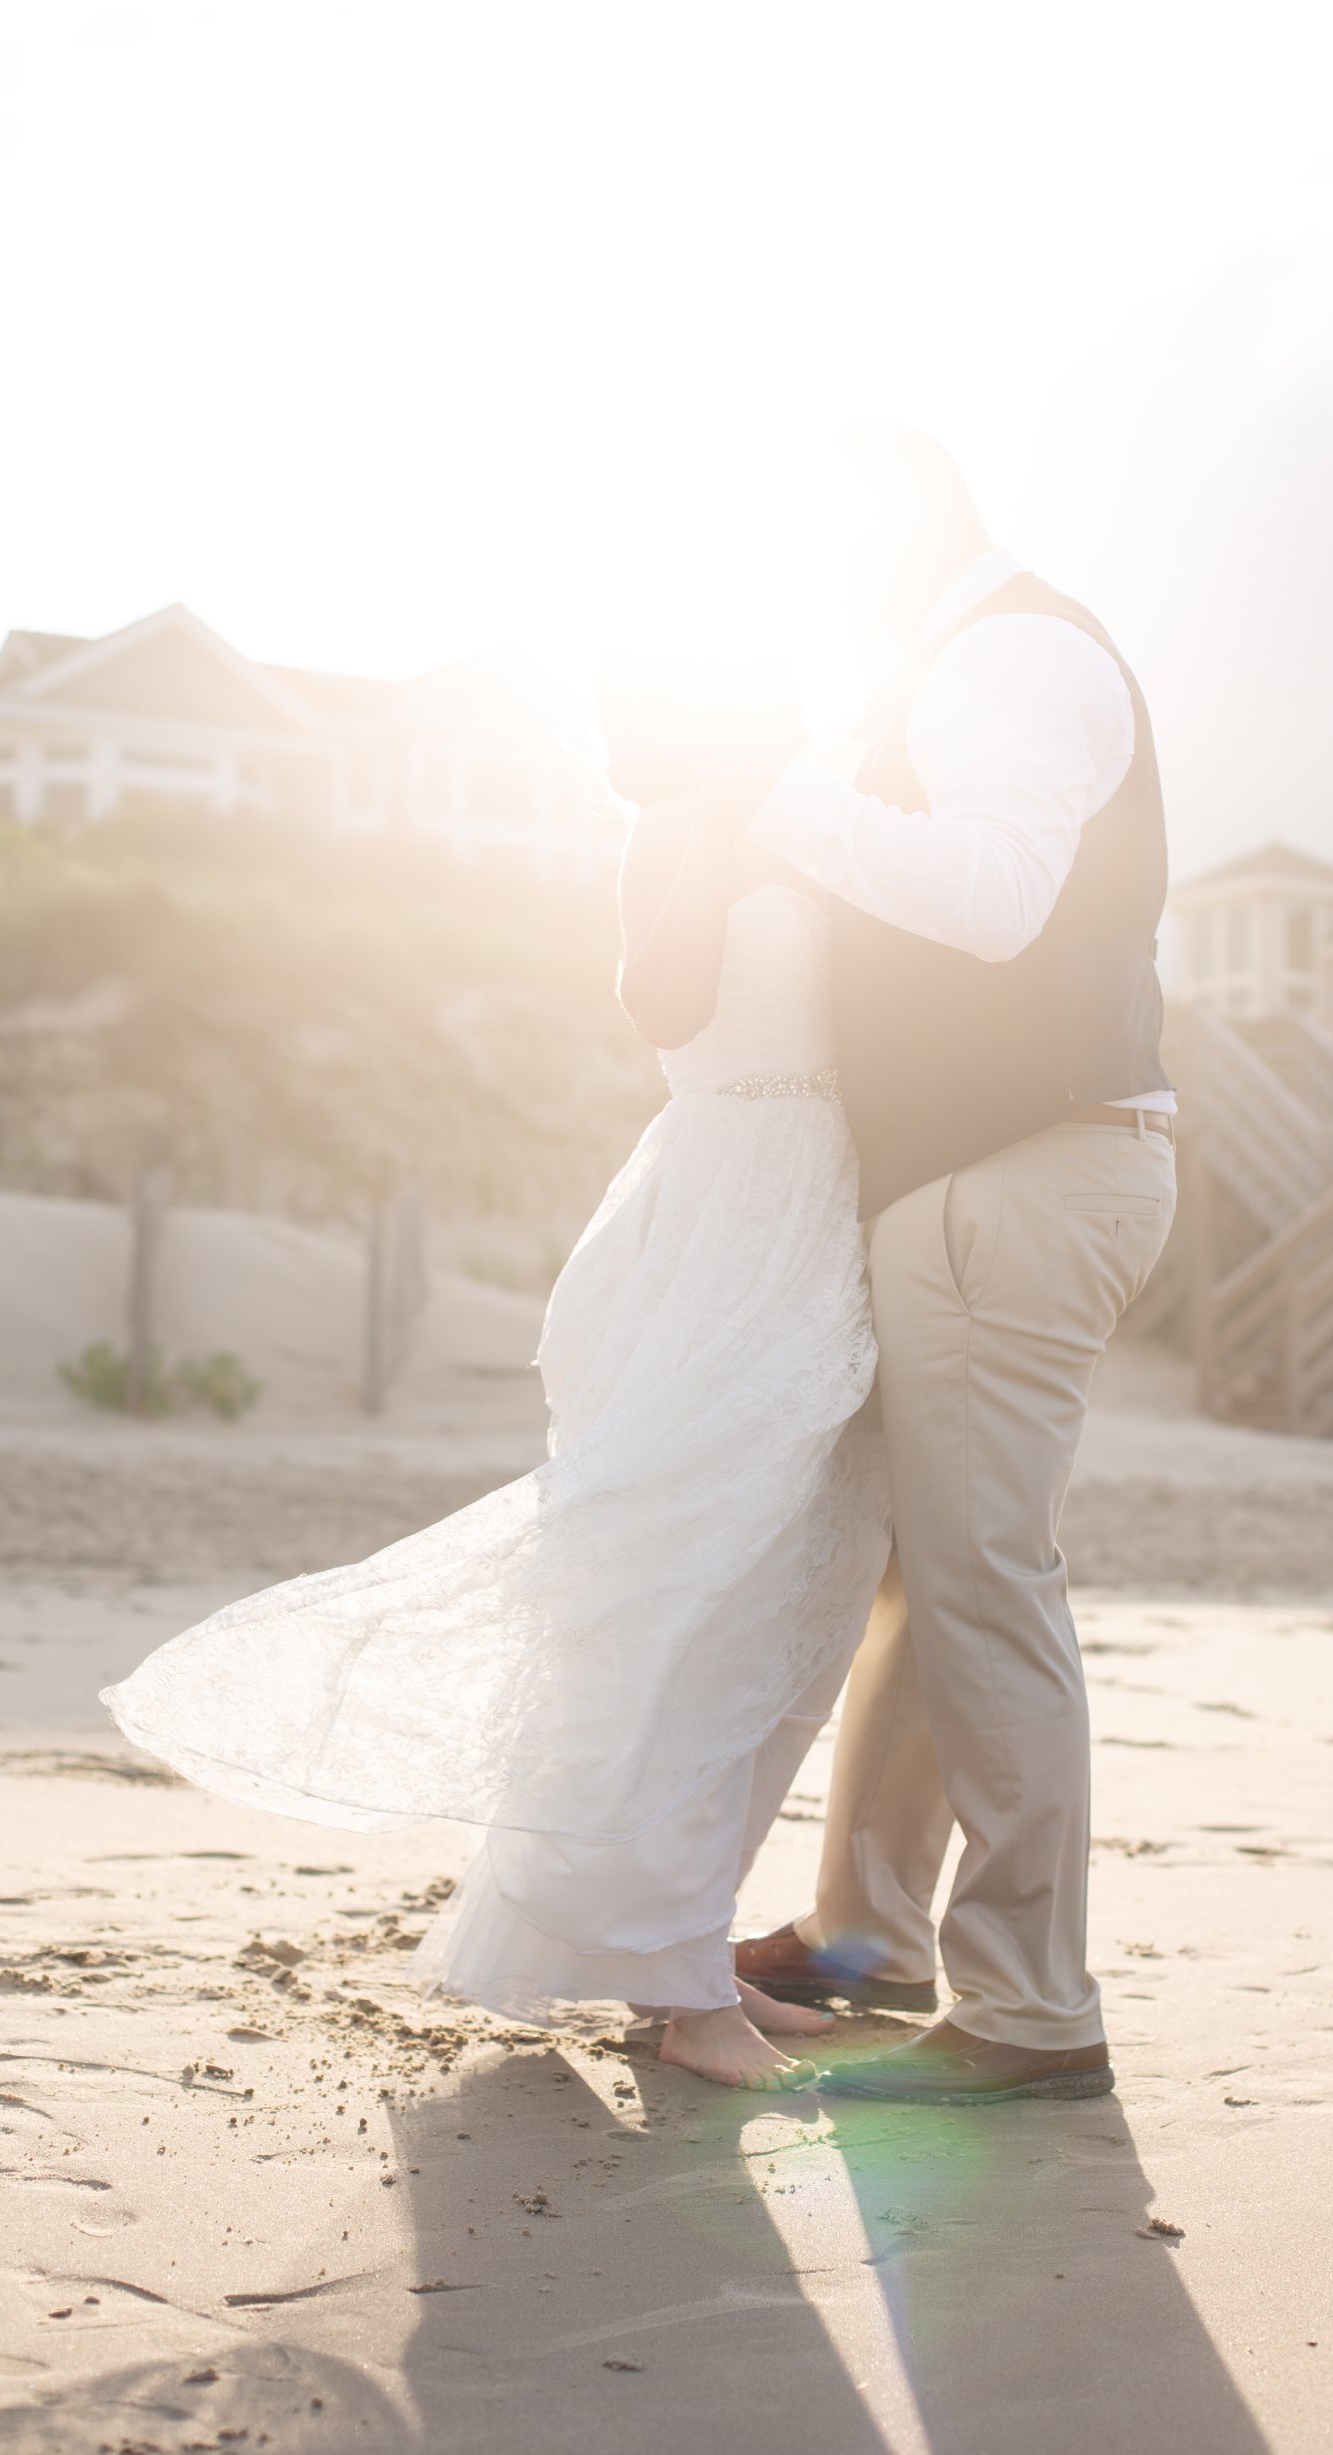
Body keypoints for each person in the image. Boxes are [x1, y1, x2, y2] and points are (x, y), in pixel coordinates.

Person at [101, 655, 890, 2092]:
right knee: (680, 1595)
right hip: (732, 1201)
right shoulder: (689, 825)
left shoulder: (817, 821)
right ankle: (668, 1979)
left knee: (793, 1599)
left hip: (820, 1214)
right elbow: (661, 1003)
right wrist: (715, 825)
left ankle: (684, 1953)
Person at [728, 424, 1178, 2104]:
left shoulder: (1016, 656)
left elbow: (994, 901)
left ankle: (1029, 2005)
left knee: (984, 1579)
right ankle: (870, 1938)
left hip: (1022, 1171)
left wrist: (774, 796)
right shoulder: (964, 661)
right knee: (933, 1580)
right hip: (996, 1175)